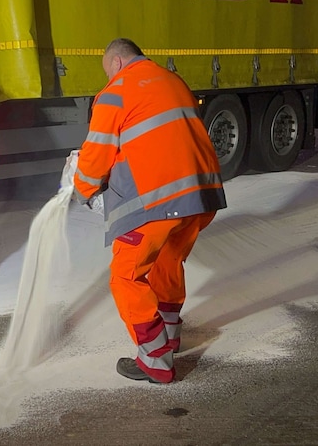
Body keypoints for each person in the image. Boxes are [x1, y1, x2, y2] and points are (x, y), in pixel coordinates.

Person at [72, 38, 227, 384]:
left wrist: (81, 189)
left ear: (115, 62)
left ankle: (156, 360)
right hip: (200, 198)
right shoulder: (174, 81)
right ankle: (170, 338)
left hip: (159, 202)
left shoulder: (115, 93)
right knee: (167, 262)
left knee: (125, 276)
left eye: (107, 71)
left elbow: (95, 158)